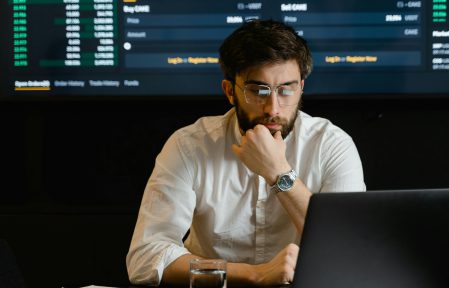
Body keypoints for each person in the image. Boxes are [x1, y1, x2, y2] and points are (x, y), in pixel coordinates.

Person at [126, 19, 366, 287]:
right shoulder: (189, 145)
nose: (273, 108)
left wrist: (279, 174)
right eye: (258, 90)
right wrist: (256, 275)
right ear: (230, 91)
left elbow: (350, 251)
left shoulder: (332, 145)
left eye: (286, 89)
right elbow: (146, 257)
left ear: (301, 88)